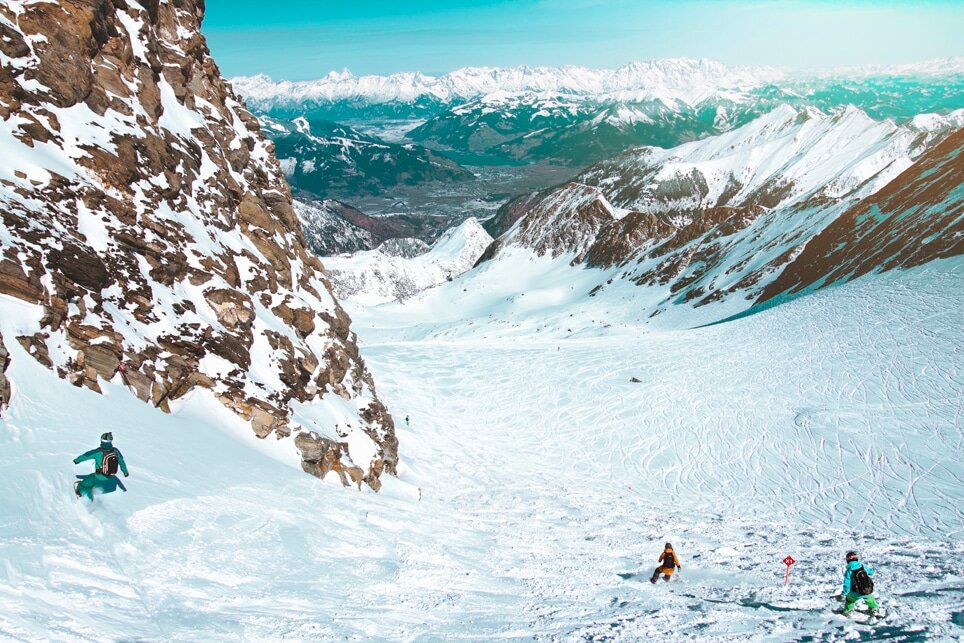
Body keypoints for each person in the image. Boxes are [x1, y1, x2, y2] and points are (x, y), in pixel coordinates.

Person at [73, 432, 129, 501]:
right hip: (110, 477)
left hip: (98, 477)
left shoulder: (98, 452)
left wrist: (77, 460)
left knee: (82, 486)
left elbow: (86, 455)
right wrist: (125, 472)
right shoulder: (115, 451)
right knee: (91, 477)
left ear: (101, 440)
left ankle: (89, 501)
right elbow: (121, 461)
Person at [838, 550, 880, 616]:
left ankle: (848, 611)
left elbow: (847, 585)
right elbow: (871, 572)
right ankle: (874, 609)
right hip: (866, 590)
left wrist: (844, 594)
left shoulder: (849, 570)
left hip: (854, 592)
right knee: (870, 599)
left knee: (849, 600)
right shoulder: (862, 566)